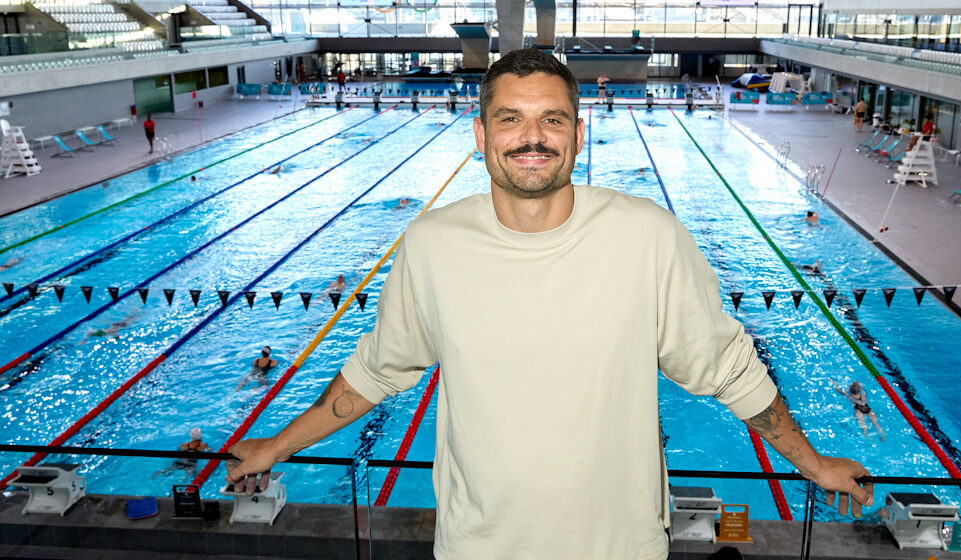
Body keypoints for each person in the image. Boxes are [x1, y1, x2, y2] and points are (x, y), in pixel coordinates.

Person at [225, 49, 873, 559]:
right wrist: (276, 446)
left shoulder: (648, 237)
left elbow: (729, 370)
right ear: (480, 135)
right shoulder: (431, 245)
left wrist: (814, 465)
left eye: (551, 119)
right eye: (510, 118)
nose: (531, 137)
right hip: (478, 550)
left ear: (578, 135)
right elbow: (375, 372)